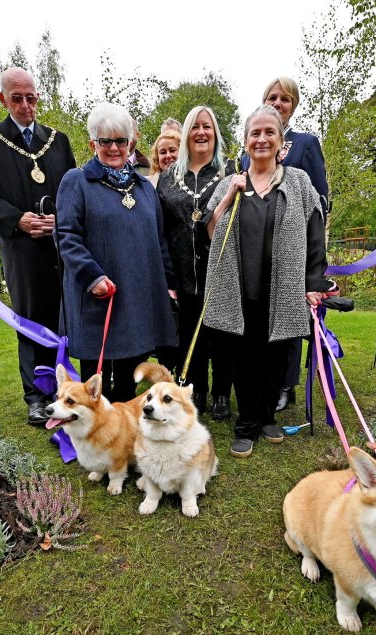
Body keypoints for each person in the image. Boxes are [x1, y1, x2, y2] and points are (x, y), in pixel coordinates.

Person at [204, 105, 332, 457]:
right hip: (239, 288)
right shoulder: (231, 183)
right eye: (254, 133)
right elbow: (210, 231)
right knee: (244, 358)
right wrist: (230, 195)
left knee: (278, 357)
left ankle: (265, 418)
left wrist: (314, 282)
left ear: (282, 143)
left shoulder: (299, 182)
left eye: (269, 133)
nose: (261, 139)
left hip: (284, 288)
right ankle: (247, 424)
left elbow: (315, 234)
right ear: (245, 142)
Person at [0, 67, 76, 426]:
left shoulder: (57, 141)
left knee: (63, 317)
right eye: (17, 98)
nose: (26, 105)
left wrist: (58, 221)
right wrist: (17, 219)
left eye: (31, 97)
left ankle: (65, 392)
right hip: (21, 249)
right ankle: (35, 395)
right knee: (31, 319)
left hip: (59, 246)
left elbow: (73, 192)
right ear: (2, 98)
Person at [55, 102, 178, 401]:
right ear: (92, 143)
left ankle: (121, 433)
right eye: (105, 140)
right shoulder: (77, 181)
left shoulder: (145, 188)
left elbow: (158, 239)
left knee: (127, 377)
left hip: (135, 298)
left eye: (120, 141)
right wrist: (91, 276)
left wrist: (169, 283)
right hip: (96, 294)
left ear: (131, 144)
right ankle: (91, 432)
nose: (113, 147)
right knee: (94, 382)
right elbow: (66, 235)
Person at [248, 76, 331, 413]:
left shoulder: (305, 144)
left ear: (294, 105)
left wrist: (315, 263)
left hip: (292, 253)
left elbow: (320, 200)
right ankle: (256, 383)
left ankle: (285, 384)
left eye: (285, 99)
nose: (278, 103)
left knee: (289, 321)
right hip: (255, 253)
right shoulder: (253, 146)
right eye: (272, 97)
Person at [157, 106, 235, 420]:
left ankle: (221, 394)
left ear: (215, 133)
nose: (201, 132)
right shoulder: (167, 177)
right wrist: (167, 276)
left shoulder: (230, 172)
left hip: (220, 269)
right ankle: (197, 389)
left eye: (207, 127)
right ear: (187, 134)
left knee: (223, 335)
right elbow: (160, 227)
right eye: (195, 127)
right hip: (182, 271)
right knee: (192, 333)